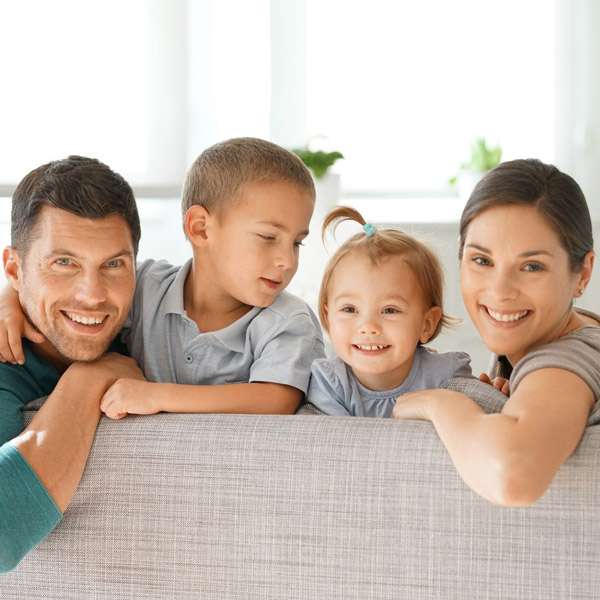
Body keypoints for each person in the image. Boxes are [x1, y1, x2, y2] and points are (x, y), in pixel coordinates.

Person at [1, 138, 325, 420]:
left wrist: (156, 395)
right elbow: (83, 292)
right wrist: (9, 302)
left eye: (297, 242)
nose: (287, 261)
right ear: (200, 228)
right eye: (268, 237)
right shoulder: (147, 289)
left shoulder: (289, 321)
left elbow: (277, 400)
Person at [393, 159, 600, 506]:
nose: (500, 290)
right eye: (482, 260)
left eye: (532, 266)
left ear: (582, 273)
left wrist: (440, 403)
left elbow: (512, 476)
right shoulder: (552, 331)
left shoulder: (565, 360)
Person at [0, 156, 144, 572]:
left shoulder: (156, 316)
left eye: (114, 264)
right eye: (64, 263)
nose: (93, 295)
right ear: (14, 267)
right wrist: (89, 379)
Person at [306, 206, 472, 417]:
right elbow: (331, 446)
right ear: (328, 318)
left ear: (427, 324)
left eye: (390, 310)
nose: (368, 327)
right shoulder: (329, 384)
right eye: (349, 309)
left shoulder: (446, 377)